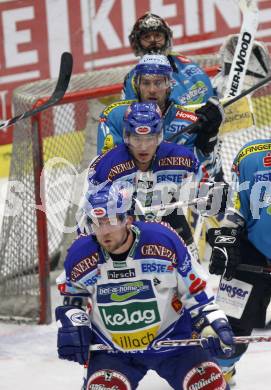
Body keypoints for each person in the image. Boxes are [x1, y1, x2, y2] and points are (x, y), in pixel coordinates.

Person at [55, 183, 234, 390]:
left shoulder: (163, 242)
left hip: (174, 340)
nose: (103, 231)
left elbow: (195, 290)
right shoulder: (80, 255)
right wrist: (73, 322)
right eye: (96, 223)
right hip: (113, 350)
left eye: (110, 221)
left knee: (209, 385)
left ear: (128, 219)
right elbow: (73, 297)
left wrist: (212, 323)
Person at [85, 101, 206, 259]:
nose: (143, 147)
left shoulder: (181, 157)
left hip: (169, 216)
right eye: (137, 139)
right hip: (124, 228)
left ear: (159, 136)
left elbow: (204, 183)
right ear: (126, 137)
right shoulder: (106, 166)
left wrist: (208, 192)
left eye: (149, 139)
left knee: (190, 264)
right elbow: (92, 213)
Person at [98, 54, 224, 183]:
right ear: (137, 85)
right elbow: (105, 169)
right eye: (146, 83)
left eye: (158, 83)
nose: (152, 90)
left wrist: (208, 139)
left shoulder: (190, 122)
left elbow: (206, 175)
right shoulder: (114, 116)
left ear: (169, 85)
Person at [206, 137, 271, 382]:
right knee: (229, 334)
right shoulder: (251, 155)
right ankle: (221, 371)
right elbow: (237, 207)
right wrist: (227, 236)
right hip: (252, 252)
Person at [123, 12, 214, 105]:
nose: (153, 40)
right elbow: (130, 115)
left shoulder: (184, 61)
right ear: (137, 42)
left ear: (167, 38)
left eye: (158, 35)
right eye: (146, 37)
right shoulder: (132, 79)